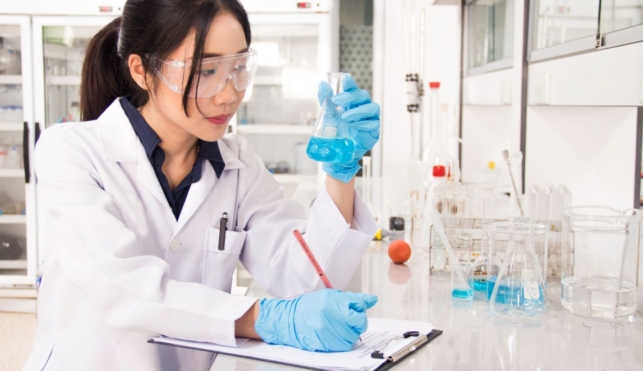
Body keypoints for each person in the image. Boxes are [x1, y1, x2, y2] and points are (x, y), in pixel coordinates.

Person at [23, 0, 381, 370]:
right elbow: (120, 289)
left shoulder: (238, 165)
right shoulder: (71, 151)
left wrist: (341, 172)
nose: (228, 94)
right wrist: (263, 318)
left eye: (239, 67)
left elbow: (308, 279)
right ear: (141, 70)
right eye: (206, 70)